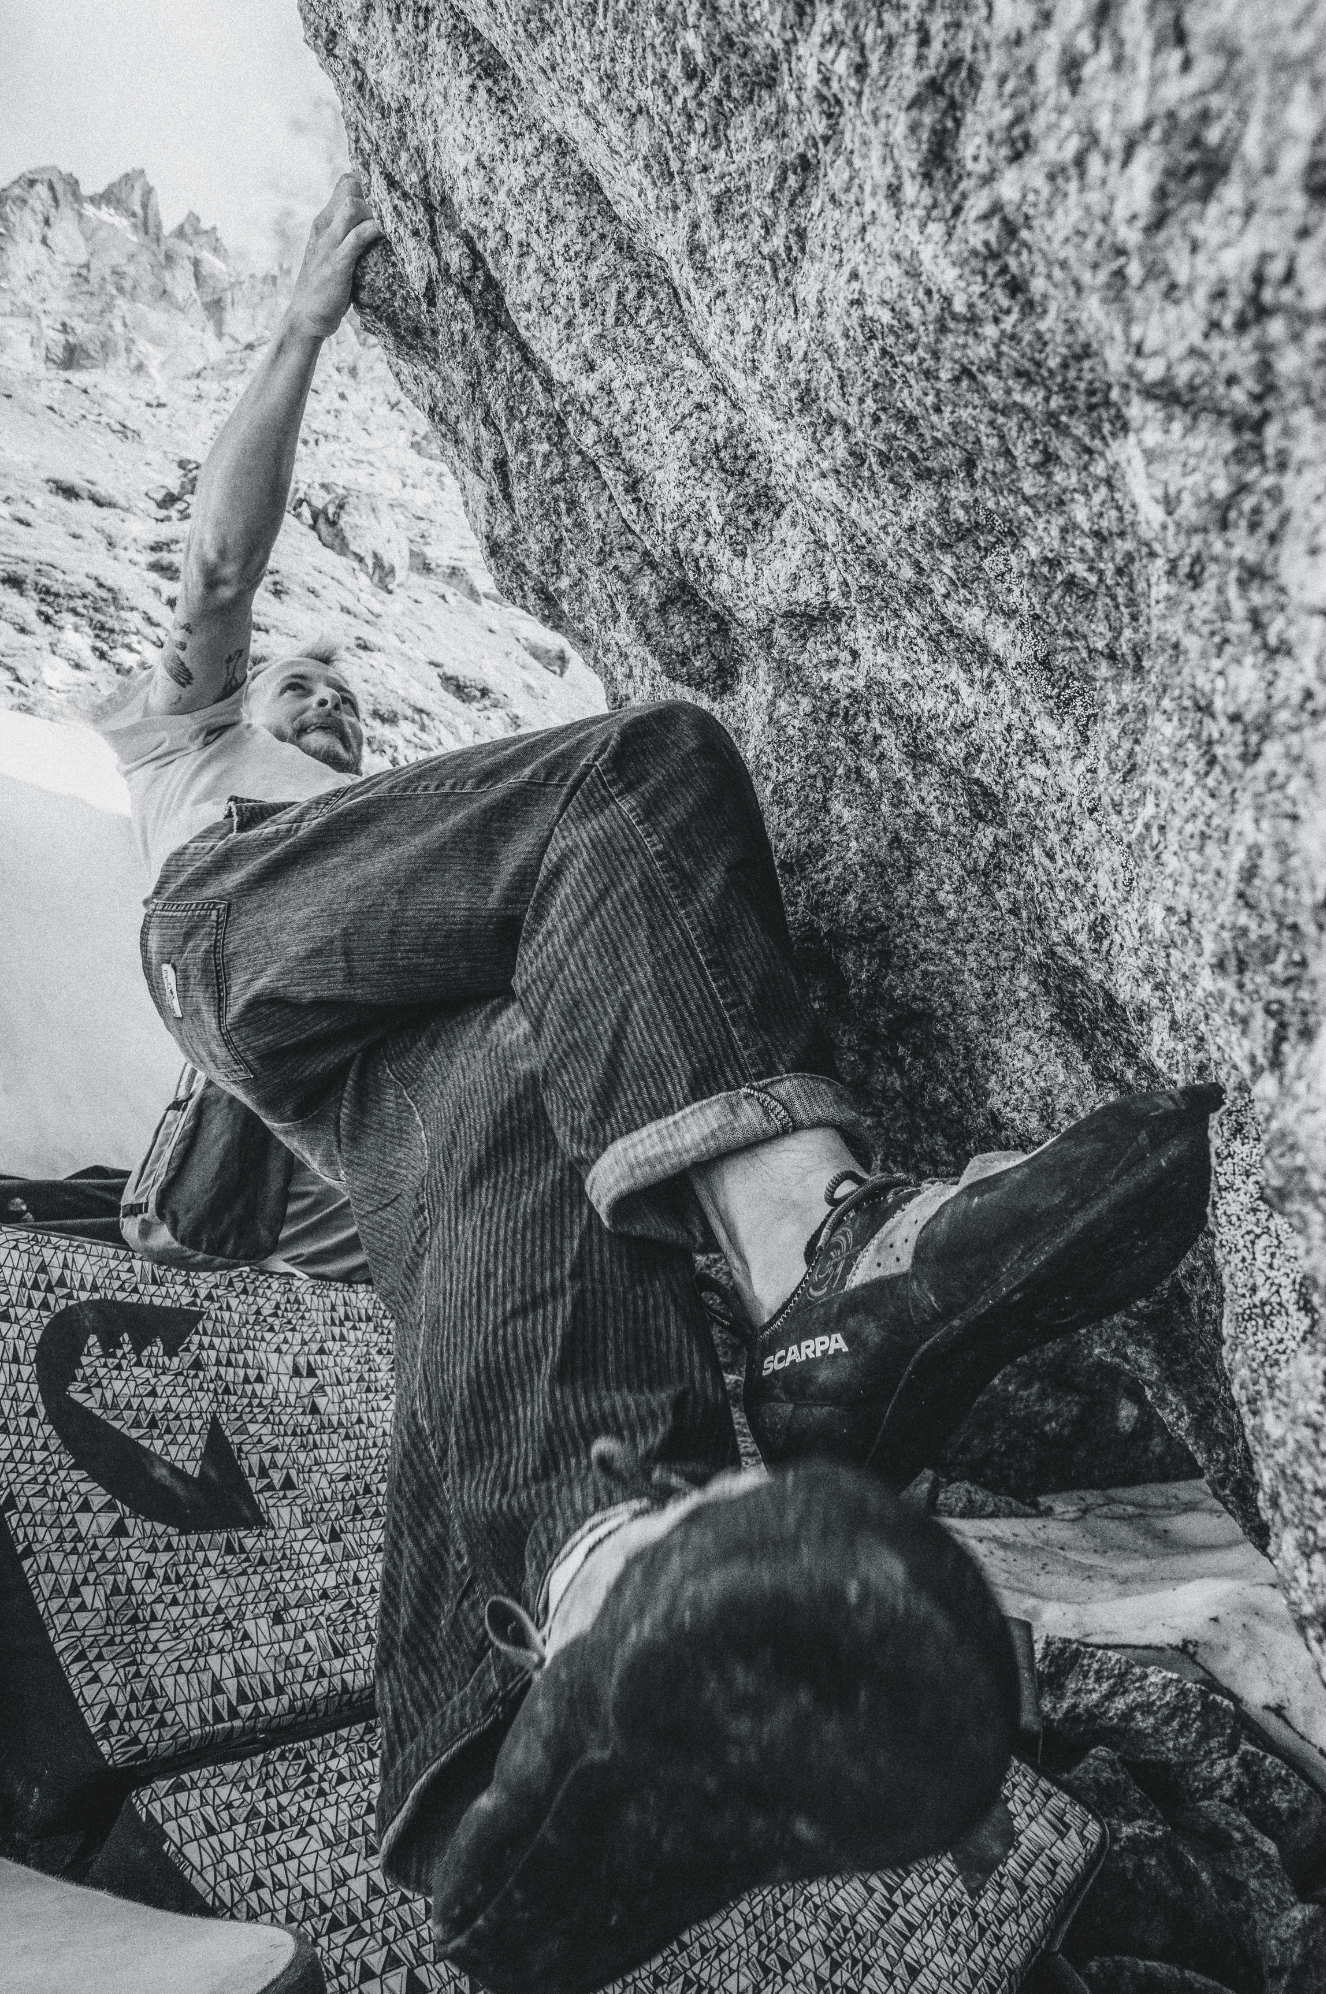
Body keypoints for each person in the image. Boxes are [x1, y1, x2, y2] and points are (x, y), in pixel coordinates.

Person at [99, 175, 1220, 1994]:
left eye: (339, 702)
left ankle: (568, 1649)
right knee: (633, 786)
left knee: (515, 1094)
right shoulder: (199, 754)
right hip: (225, 941)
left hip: (367, 1043)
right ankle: (825, 1280)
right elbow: (220, 574)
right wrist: (299, 322)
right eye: (301, 686)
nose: (321, 703)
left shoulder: (385, 839)